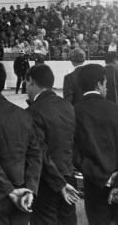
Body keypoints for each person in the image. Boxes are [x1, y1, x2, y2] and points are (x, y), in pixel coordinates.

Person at [0, 62, 42, 225]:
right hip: (23, 190)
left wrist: (9, 190)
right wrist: (30, 189)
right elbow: (35, 154)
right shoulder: (23, 115)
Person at [72, 64, 118, 225]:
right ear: (99, 84)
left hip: (94, 185)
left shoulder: (74, 112)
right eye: (106, 85)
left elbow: (74, 153)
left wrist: (101, 176)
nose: (107, 89)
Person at [24, 64, 79, 225]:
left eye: (26, 83)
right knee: (68, 220)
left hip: (46, 181)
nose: (26, 87)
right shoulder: (67, 106)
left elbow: (39, 152)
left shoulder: (33, 111)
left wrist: (58, 183)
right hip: (68, 174)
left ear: (32, 81)